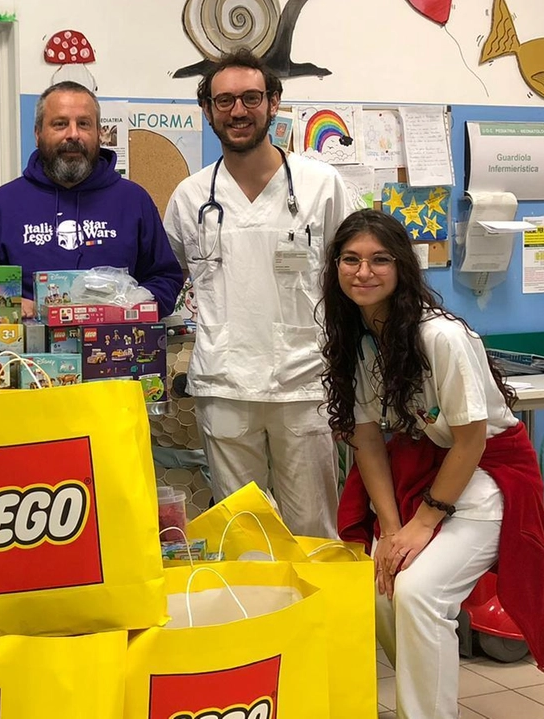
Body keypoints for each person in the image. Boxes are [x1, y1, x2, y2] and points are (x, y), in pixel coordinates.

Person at [328, 210, 544, 719]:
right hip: (430, 473)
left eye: (379, 260)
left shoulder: (440, 337)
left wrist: (421, 525)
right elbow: (366, 439)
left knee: (418, 592)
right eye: (350, 259)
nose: (363, 272)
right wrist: (390, 531)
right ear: (335, 267)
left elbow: (472, 441)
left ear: (403, 268)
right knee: (381, 582)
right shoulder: (361, 337)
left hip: (488, 478)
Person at [163, 48, 350, 538]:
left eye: (250, 98)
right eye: (224, 101)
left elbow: (355, 276)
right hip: (223, 384)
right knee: (244, 532)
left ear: (274, 102)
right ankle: (263, 617)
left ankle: (320, 617)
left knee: (314, 530)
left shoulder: (321, 186)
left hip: (305, 383)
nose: (238, 111)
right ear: (207, 111)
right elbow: (168, 281)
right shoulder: (189, 198)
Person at [0, 81, 183, 318]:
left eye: (84, 124)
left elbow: (165, 279)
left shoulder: (134, 201)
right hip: (25, 353)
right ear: (38, 134)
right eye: (60, 124)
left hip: (116, 348)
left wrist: (127, 306)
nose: (73, 134)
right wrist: (9, 303)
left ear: (99, 134)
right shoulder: (2, 205)